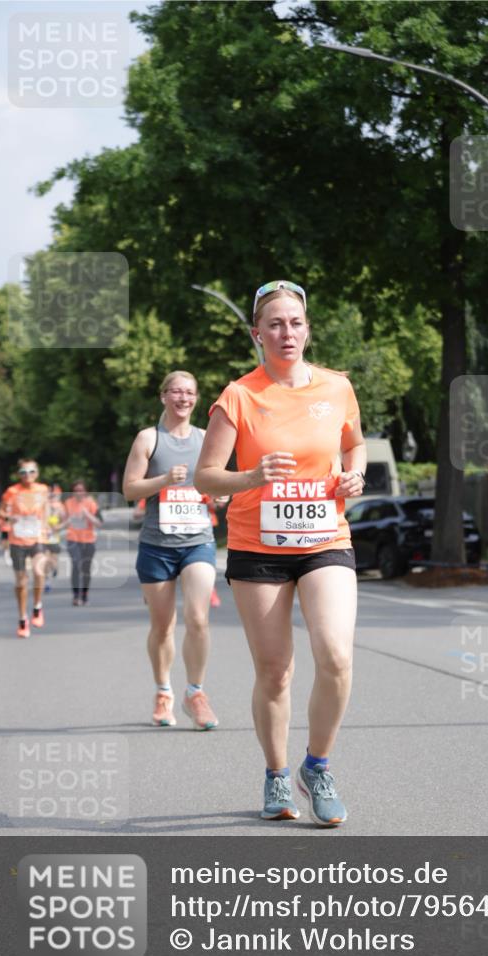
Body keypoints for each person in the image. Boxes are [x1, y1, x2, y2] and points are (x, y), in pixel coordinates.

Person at [195, 280, 366, 826]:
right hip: (257, 548)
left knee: (336, 655)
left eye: (294, 322)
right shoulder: (238, 397)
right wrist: (251, 475)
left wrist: (353, 472)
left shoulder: (337, 387)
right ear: (257, 334)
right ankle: (275, 774)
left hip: (325, 540)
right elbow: (206, 476)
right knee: (275, 671)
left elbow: (353, 442)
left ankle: (317, 765)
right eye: (274, 323)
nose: (285, 332)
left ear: (308, 329)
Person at [123, 370, 219, 731]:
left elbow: (218, 482)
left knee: (198, 618)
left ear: (196, 398)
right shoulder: (149, 439)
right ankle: (163, 691)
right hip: (156, 546)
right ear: (163, 396)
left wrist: (220, 494)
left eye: (190, 392)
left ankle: (196, 693)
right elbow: (130, 490)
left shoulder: (207, 439)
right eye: (176, 391)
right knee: (162, 627)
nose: (183, 398)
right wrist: (164, 480)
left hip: (198, 541)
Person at [0, 459, 50, 638]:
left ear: (37, 473)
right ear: (18, 474)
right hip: (17, 539)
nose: (27, 475)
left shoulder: (42, 489)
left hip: (37, 538)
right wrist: (8, 518)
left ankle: (37, 606)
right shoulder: (12, 491)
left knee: (39, 571)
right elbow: (1, 512)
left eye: (31, 471)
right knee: (21, 582)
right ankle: (22, 619)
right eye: (23, 472)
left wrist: (46, 525)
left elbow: (46, 509)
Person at [60, 481, 100, 606]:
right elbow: (64, 521)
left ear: (85, 491)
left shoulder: (91, 503)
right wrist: (61, 524)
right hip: (73, 539)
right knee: (76, 565)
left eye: (81, 490)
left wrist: (87, 514)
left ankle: (84, 594)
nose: (78, 492)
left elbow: (99, 523)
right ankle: (76, 595)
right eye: (76, 490)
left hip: (88, 540)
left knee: (86, 569)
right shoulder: (67, 503)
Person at [44, 484, 64, 592]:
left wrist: (58, 527)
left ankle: (55, 568)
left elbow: (64, 521)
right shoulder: (43, 505)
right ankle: (47, 582)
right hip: (43, 537)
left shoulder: (60, 507)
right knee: (46, 560)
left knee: (53, 559)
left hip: (54, 537)